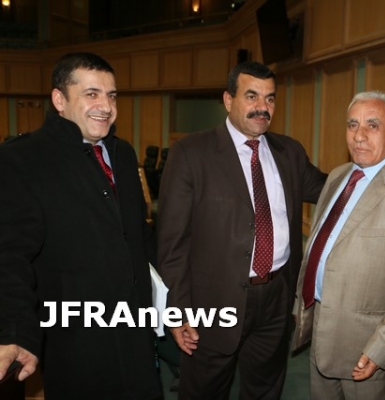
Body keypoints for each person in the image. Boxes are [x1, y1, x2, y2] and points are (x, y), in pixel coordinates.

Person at [157, 61, 326, 399]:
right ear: (228, 99)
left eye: (270, 98)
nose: (263, 107)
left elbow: (330, 190)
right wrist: (177, 310)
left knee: (265, 390)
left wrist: (374, 169)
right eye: (252, 96)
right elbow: (172, 243)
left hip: (276, 297)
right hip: (212, 302)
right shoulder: (191, 153)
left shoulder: (289, 152)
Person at [0, 53, 162, 399]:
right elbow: (9, 256)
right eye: (91, 94)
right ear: (59, 99)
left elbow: (140, 237)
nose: (106, 106)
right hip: (76, 341)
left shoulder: (123, 153)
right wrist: (14, 332)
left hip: (135, 329)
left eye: (112, 95)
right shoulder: (22, 159)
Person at [293, 91, 385, 399]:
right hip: (321, 330)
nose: (359, 135)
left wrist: (381, 348)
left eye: (372, 125)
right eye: (352, 124)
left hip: (366, 345)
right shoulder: (338, 176)